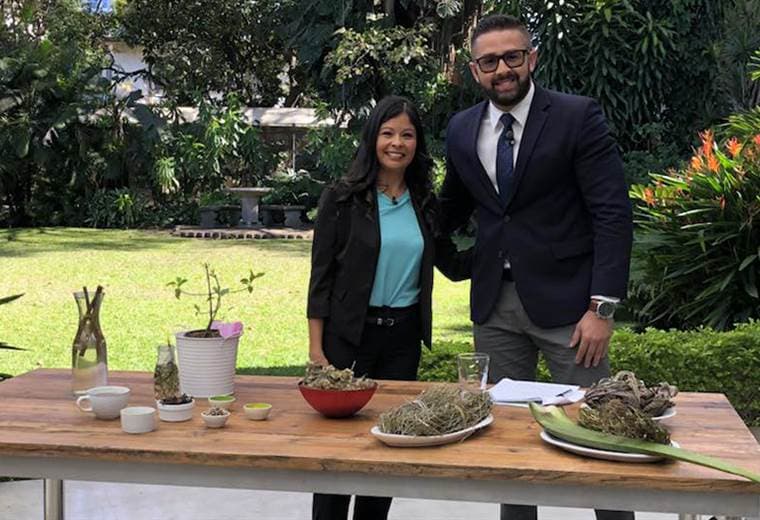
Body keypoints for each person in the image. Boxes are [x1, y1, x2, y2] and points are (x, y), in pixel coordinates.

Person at [439, 14, 634, 520]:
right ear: (475, 70)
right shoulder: (461, 129)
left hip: (572, 310)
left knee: (599, 432)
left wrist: (602, 309)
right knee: (508, 441)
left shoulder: (576, 116)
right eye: (489, 61)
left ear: (532, 58)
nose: (502, 69)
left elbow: (612, 214)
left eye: (512, 57)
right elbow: (450, 210)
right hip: (494, 307)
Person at [306, 95, 470, 520]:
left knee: (390, 447)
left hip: (402, 341)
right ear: (372, 139)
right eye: (388, 133)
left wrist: (508, 247)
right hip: (348, 339)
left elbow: (453, 264)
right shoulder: (342, 198)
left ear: (417, 144)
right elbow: (321, 278)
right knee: (338, 455)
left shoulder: (424, 202)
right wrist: (316, 350)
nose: (397, 143)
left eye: (407, 135)